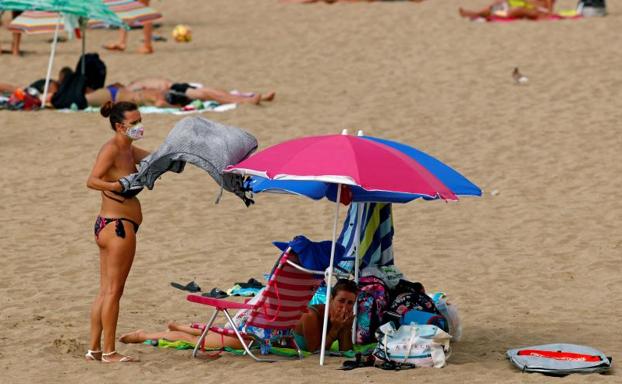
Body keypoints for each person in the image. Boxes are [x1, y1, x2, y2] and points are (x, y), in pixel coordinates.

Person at [119, 279, 359, 352]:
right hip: (252, 330)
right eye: (341, 301)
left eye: (350, 303)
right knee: (205, 343)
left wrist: (344, 328)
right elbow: (315, 352)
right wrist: (337, 329)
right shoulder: (311, 316)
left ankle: (182, 326)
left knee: (213, 335)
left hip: (264, 329)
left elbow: (345, 350)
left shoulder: (341, 318)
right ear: (329, 299)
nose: (345, 307)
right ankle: (146, 334)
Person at [85, 101, 150, 363]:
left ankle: (94, 349)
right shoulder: (111, 149)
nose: (139, 126)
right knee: (114, 291)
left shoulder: (130, 151)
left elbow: (155, 158)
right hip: (118, 227)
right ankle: (110, 352)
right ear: (120, 126)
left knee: (105, 291)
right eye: (134, 123)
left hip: (110, 226)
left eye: (140, 120)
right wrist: (117, 186)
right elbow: (92, 180)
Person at [85, 78, 276, 107]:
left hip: (172, 87)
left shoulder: (120, 88)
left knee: (207, 91)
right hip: (169, 93)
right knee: (205, 93)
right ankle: (245, 99)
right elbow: (159, 103)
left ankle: (245, 96)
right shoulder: (127, 94)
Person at [458, 0, 555, 21]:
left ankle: (482, 15)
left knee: (516, 10)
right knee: (501, 2)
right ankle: (478, 13)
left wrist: (549, 13)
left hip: (538, 9)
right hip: (526, 4)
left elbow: (549, 2)